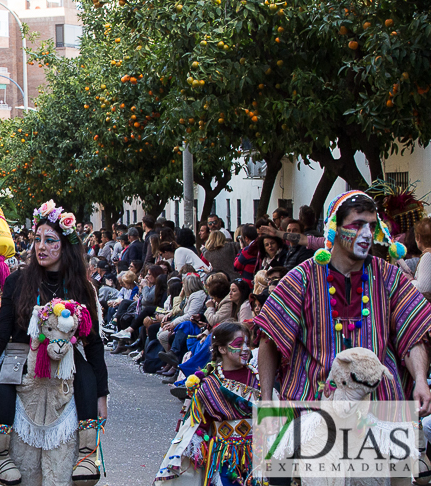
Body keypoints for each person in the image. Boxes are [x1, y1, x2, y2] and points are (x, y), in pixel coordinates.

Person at [255, 190, 431, 410]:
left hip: (380, 411)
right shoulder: (302, 278)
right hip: (315, 410)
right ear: (334, 228)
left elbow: (414, 334)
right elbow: (269, 338)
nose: (367, 234)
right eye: (357, 225)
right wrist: (266, 399)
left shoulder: (389, 277)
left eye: (372, 226)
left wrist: (421, 381)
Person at [0, 201, 108, 486]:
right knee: (1, 380)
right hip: (21, 356)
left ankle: (88, 451)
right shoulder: (18, 281)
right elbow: (1, 335)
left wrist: (101, 397)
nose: (41, 247)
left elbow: (94, 345)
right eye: (37, 239)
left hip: (66, 359)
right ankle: (2, 454)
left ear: (65, 245)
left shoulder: (82, 287)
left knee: (84, 374)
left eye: (50, 241)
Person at [155, 321, 258, 485]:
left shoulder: (259, 379)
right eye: (239, 344)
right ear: (222, 349)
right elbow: (198, 426)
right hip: (224, 458)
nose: (245, 349)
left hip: (257, 455)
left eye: (248, 344)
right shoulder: (209, 385)